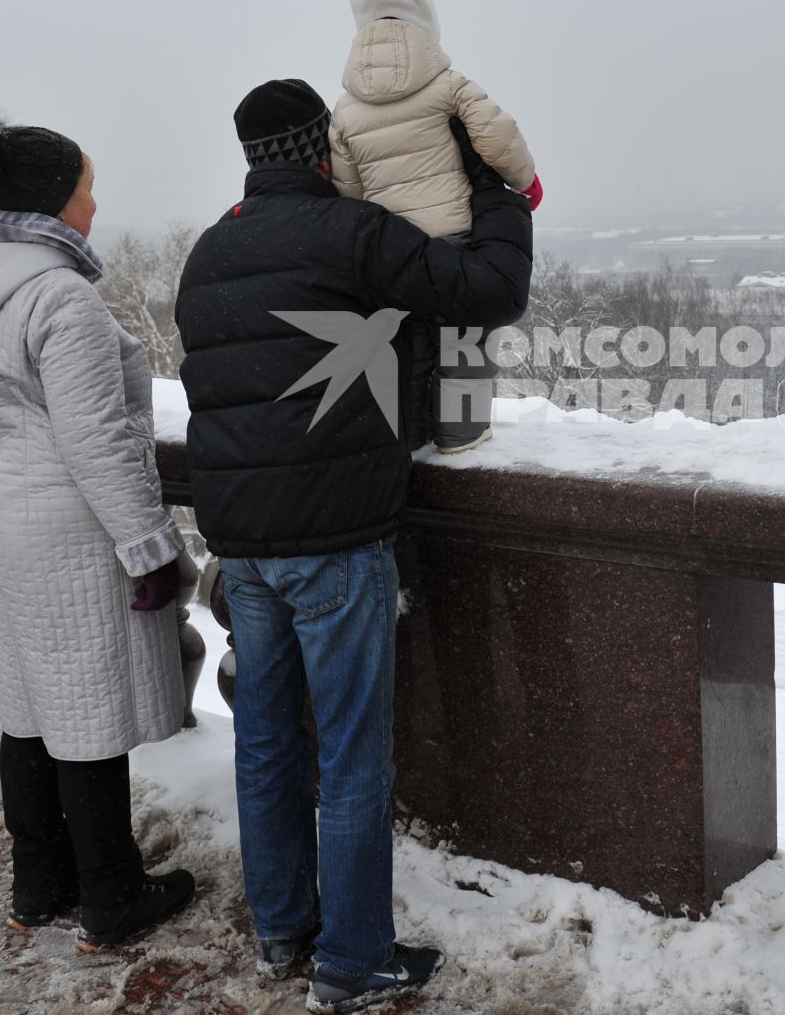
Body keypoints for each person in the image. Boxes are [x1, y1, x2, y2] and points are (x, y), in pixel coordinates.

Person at [175, 78, 531, 1014]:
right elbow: (490, 292)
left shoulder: (209, 250)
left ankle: (282, 928)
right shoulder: (350, 233)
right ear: (327, 149)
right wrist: (492, 189)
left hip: (240, 543)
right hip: (333, 536)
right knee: (352, 756)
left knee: (265, 742)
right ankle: (354, 959)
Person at [0, 113, 198, 952]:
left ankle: (39, 882)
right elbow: (97, 439)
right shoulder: (61, 297)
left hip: (8, 507)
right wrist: (150, 545)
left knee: (31, 706)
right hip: (72, 528)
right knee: (84, 713)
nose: (95, 203)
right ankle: (112, 895)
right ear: (53, 202)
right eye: (87, 187)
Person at [328, 0, 542, 453]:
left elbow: (348, 191)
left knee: (410, 342)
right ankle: (462, 431)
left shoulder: (346, 111)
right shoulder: (450, 85)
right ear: (425, 27)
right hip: (457, 237)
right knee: (464, 334)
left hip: (394, 250)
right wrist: (527, 182)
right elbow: (498, 138)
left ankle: (414, 430)